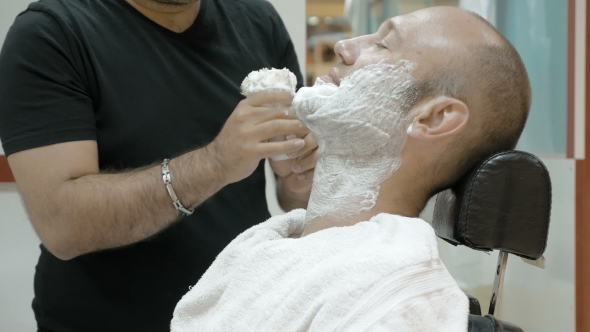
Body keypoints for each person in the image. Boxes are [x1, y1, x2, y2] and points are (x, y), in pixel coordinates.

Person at [171, 6, 531, 331]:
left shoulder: (397, 303)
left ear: (435, 118)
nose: (344, 46)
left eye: (383, 45)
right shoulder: (265, 248)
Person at [0, 0, 319, 331]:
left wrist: (301, 179)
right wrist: (213, 164)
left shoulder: (258, 20)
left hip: (239, 315)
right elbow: (62, 223)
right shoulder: (50, 34)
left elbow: (292, 196)